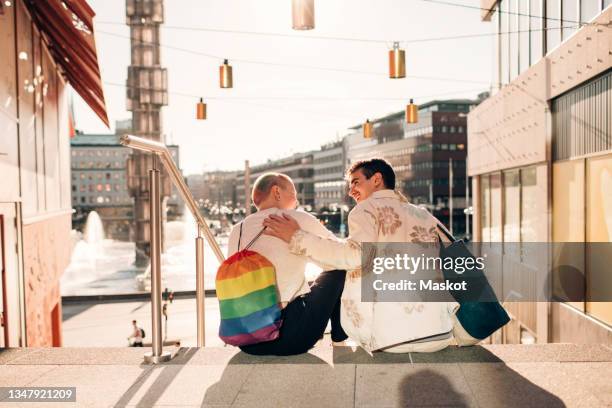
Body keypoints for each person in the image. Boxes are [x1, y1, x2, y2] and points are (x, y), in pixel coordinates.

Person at [263, 158, 478, 353]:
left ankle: (340, 337)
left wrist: (297, 238)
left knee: (339, 271)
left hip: (391, 338)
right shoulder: (422, 213)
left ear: (376, 179)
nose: (351, 191)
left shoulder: (365, 210)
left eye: (356, 182)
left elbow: (355, 255)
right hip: (438, 334)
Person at [227, 172, 348, 356]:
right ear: (277, 192)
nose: (296, 200)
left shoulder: (238, 229)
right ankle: (339, 340)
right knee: (338, 271)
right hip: (292, 338)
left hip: (246, 339)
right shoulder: (296, 218)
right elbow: (339, 256)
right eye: (293, 193)